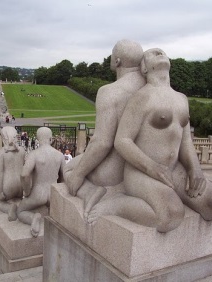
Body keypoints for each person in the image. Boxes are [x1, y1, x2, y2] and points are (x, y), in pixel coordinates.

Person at [110, 48, 212, 232]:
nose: (159, 52)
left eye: (162, 52)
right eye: (152, 54)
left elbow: (186, 142)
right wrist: (151, 167)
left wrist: (194, 168)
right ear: (144, 69)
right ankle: (116, 205)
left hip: (173, 170)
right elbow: (122, 140)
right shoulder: (141, 98)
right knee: (170, 216)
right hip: (142, 172)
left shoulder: (181, 99)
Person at [64, 39, 146, 221]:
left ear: (117, 61)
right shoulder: (149, 87)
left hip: (113, 173)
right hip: (140, 170)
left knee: (69, 167)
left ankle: (88, 193)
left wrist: (78, 174)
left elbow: (102, 142)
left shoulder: (110, 92)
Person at [10, 127, 65, 237]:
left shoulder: (34, 154)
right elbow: (64, 176)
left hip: (38, 193)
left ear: (38, 139)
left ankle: (33, 218)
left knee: (20, 211)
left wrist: (26, 191)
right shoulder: (59, 155)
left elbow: (24, 174)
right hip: (53, 192)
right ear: (51, 139)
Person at [0, 126, 26, 220]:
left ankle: (9, 208)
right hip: (20, 185)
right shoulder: (22, 151)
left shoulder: (2, 153)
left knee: (0, 203)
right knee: (20, 200)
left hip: (8, 186)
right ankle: (21, 208)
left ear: (4, 138)